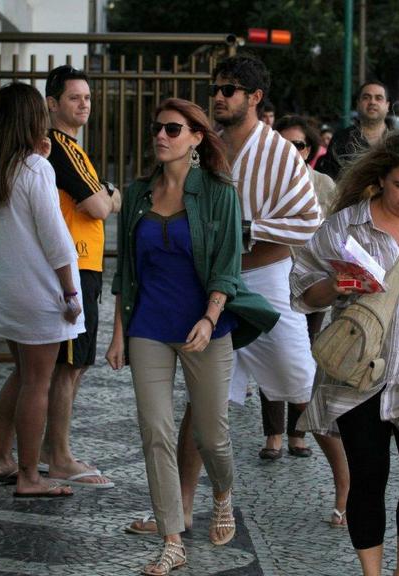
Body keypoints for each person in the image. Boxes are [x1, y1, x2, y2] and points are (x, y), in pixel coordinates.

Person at [127, 53, 349, 535]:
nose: (219, 97)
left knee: (304, 391)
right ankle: (181, 509)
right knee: (203, 404)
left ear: (255, 98)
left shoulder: (279, 152)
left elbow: (307, 221)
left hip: (265, 283)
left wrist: (242, 229)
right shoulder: (206, 148)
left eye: (229, 90)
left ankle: (347, 491)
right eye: (217, 89)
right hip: (209, 287)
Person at [106, 97, 279, 575]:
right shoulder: (139, 194)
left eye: (173, 129)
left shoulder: (220, 192)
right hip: (149, 327)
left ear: (197, 139)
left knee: (211, 436)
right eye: (157, 128)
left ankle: (222, 491)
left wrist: (209, 317)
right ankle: (172, 540)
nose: (161, 136)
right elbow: (126, 274)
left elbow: (226, 266)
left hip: (206, 324)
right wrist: (119, 333)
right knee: (155, 430)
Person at [290, 130, 399, 576]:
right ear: (380, 179)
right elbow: (302, 289)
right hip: (360, 378)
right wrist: (334, 285)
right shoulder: (345, 226)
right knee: (368, 480)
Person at [0, 82, 84, 496]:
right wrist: (70, 292)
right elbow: (55, 238)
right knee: (37, 384)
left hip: (7, 290)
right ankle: (28, 475)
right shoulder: (36, 169)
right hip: (40, 293)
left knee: (23, 375)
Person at [42, 65, 122, 488]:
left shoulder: (72, 148)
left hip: (80, 263)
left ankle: (51, 447)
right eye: (75, 98)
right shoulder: (61, 147)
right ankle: (59, 455)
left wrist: (107, 195)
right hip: (75, 262)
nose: (84, 104)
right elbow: (98, 206)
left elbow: (108, 196)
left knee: (70, 365)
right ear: (52, 103)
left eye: (87, 97)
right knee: (68, 367)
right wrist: (108, 195)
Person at [256, 114, 336, 461]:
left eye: (299, 144)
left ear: (310, 149)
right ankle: (273, 433)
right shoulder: (265, 184)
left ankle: (298, 433)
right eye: (284, 143)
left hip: (313, 282)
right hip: (272, 279)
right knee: (272, 351)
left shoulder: (324, 185)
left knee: (306, 359)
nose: (291, 150)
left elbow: (336, 233)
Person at [317, 81, 392, 180]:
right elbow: (328, 181)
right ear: (358, 104)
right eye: (366, 97)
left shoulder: (398, 140)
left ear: (387, 105)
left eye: (379, 98)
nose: (372, 102)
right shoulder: (341, 139)